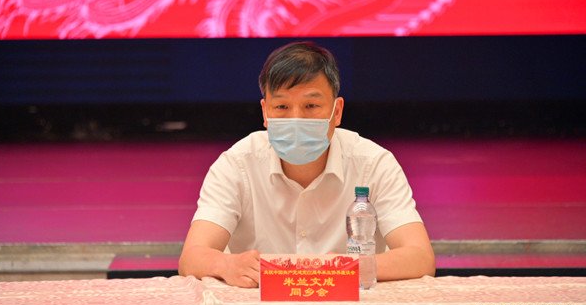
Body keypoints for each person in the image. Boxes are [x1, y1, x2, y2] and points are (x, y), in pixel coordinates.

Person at [178, 41, 435, 288]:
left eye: (311, 105)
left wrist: (343, 268)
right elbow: (191, 257)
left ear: (337, 111)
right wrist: (227, 264)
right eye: (282, 106)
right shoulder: (236, 165)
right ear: (265, 112)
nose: (296, 118)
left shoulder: (373, 164)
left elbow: (420, 257)